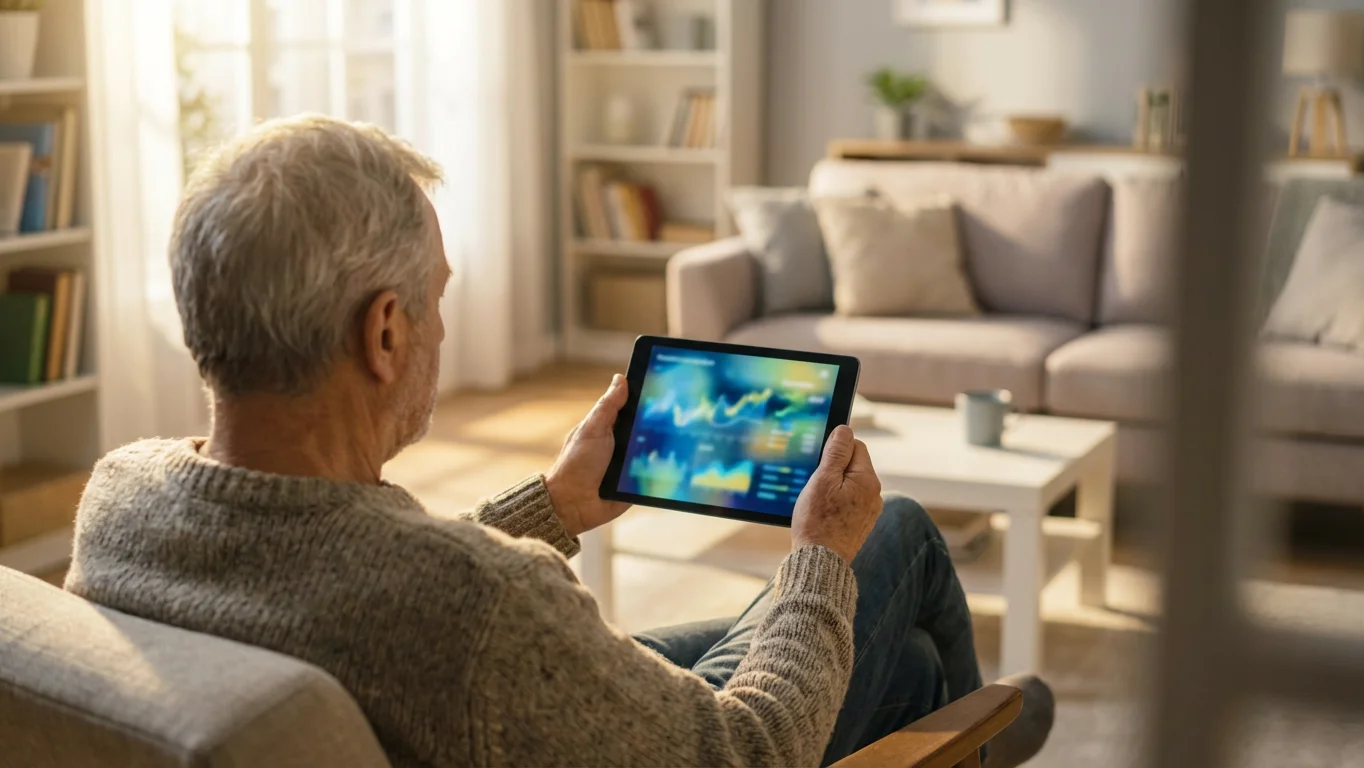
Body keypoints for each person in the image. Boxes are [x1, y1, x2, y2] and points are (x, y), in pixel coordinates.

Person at [65, 115, 1051, 767]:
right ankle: (973, 737)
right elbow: (748, 752)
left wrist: (553, 505)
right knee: (897, 538)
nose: (443, 328)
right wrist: (820, 556)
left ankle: (941, 714)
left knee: (903, 667)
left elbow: (349, 579)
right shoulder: (487, 607)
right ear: (386, 333)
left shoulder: (120, 498)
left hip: (454, 716)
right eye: (437, 298)